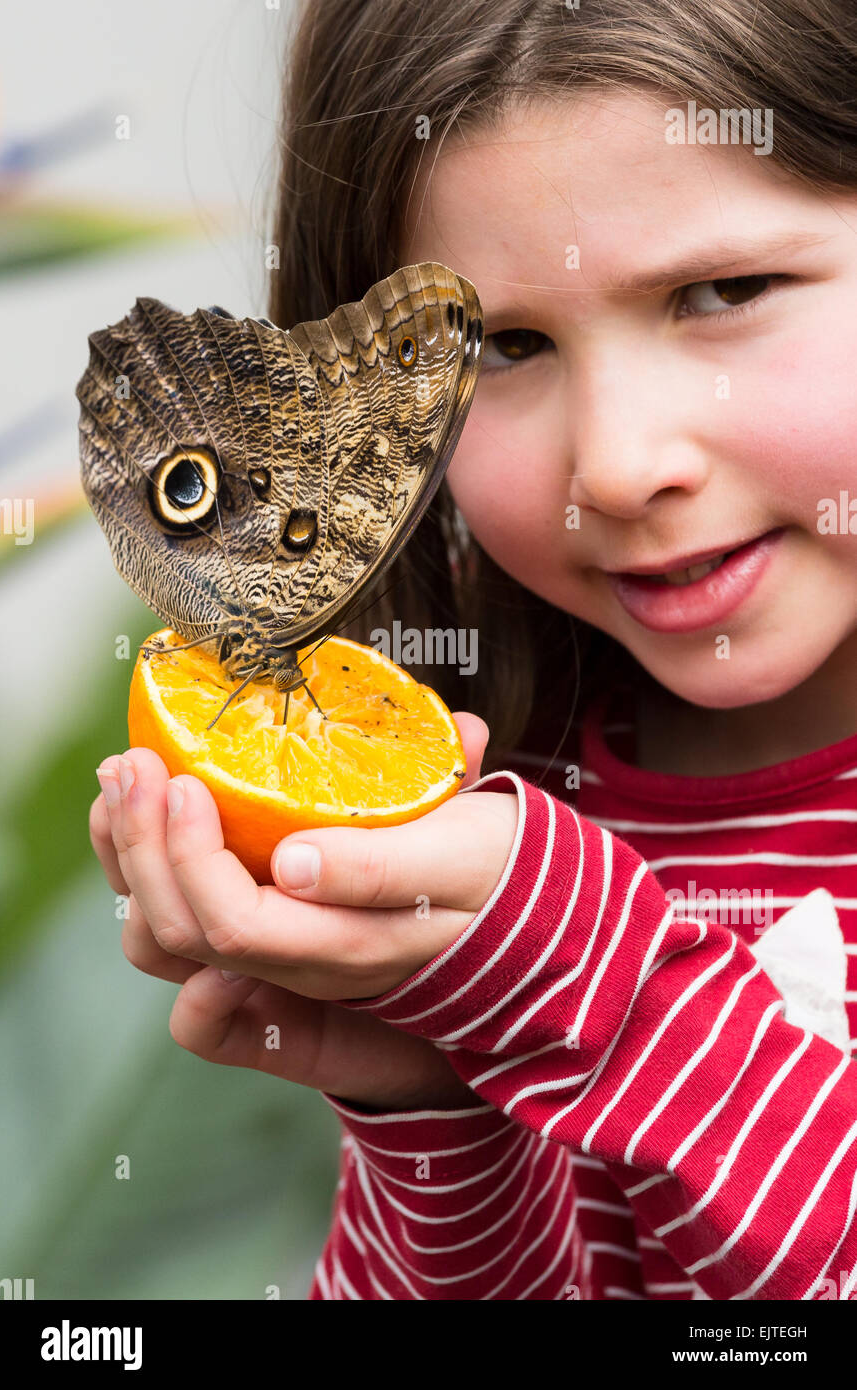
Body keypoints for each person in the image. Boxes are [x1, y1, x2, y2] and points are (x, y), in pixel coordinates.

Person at [89, 0, 857, 1299]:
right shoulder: (500, 811)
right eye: (505, 345)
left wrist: (587, 967)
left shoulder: (540, 905)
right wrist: (431, 1109)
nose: (614, 466)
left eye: (717, 291)